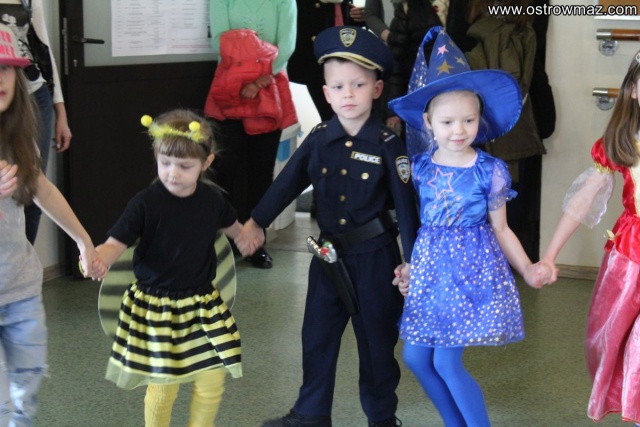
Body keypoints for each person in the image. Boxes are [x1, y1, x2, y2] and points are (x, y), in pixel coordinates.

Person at [236, 26, 420, 427]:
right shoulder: (319, 139)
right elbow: (287, 183)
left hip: (376, 261)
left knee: (376, 344)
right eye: (338, 86)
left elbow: (407, 210)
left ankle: (382, 418)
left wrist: (412, 262)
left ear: (376, 89)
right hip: (328, 256)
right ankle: (311, 414)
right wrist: (256, 222)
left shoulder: (388, 146)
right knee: (317, 337)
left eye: (358, 84)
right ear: (326, 93)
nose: (348, 94)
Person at [388, 26, 549, 426]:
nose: (459, 130)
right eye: (447, 121)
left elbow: (502, 229)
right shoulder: (419, 168)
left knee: (445, 361)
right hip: (430, 271)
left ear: (480, 119)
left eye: (469, 120)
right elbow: (415, 224)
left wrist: (528, 267)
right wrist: (409, 265)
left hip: (468, 273)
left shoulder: (489, 170)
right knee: (415, 358)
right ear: (428, 122)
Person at [93, 110, 243, 427]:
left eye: (184, 166)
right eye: (165, 163)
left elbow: (234, 228)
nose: (173, 173)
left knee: (212, 382)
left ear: (206, 162)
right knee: (163, 389)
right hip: (157, 308)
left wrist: (248, 235)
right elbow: (114, 244)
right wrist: (98, 258)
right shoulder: (145, 203)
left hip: (202, 304)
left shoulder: (212, 201)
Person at [0, 23, 100, 426]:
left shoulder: (15, 137)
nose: (0, 79)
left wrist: (83, 240)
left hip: (20, 290)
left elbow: (42, 189)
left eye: (5, 68)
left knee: (25, 394)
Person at [538, 51, 640, 425]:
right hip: (632, 255)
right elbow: (583, 200)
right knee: (621, 343)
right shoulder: (623, 142)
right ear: (633, 89)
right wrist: (550, 255)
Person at [205, 0, 297, 269]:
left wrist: (259, 79)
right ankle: (224, 240)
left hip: (270, 88)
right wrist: (253, 63)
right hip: (229, 87)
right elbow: (218, 42)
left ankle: (255, 243)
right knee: (224, 169)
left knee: (261, 172)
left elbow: (287, 46)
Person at [0, 0, 73, 244]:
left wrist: (60, 111)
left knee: (30, 189)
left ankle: (24, 254)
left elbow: (43, 50)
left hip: (31, 94)